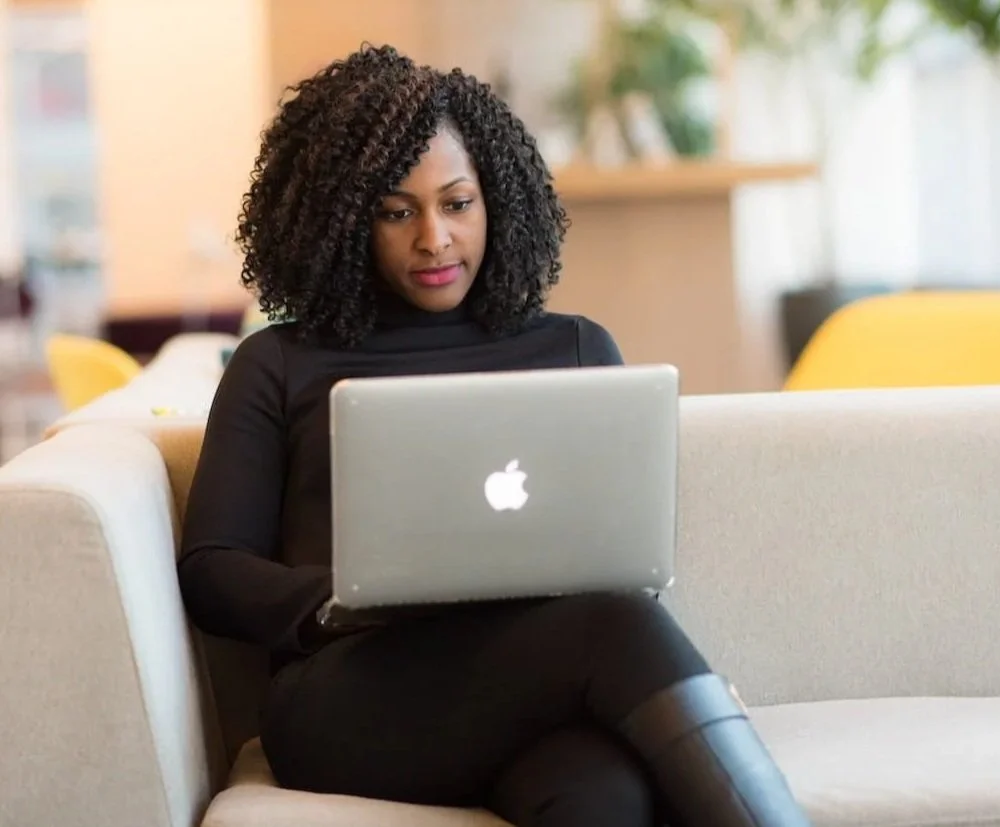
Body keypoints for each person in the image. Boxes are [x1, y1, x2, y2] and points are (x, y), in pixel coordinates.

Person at [177, 44, 812, 827]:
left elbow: (616, 547)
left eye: (457, 202)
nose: (435, 239)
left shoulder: (577, 347)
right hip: (352, 695)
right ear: (341, 221)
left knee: (602, 793)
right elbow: (212, 569)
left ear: (497, 200)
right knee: (618, 628)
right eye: (397, 211)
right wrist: (344, 602)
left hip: (545, 680)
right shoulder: (277, 362)